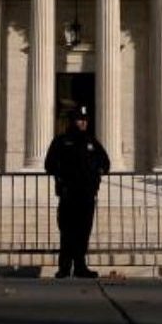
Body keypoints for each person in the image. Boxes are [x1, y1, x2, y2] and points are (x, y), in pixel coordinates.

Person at [43, 106, 110, 278]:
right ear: (72, 121)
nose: (83, 123)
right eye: (80, 119)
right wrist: (62, 176)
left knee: (83, 231)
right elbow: (49, 164)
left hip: (87, 194)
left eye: (85, 120)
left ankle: (80, 266)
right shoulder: (61, 141)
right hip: (68, 194)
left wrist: (97, 173)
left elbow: (105, 162)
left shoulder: (91, 141)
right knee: (67, 231)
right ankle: (64, 267)